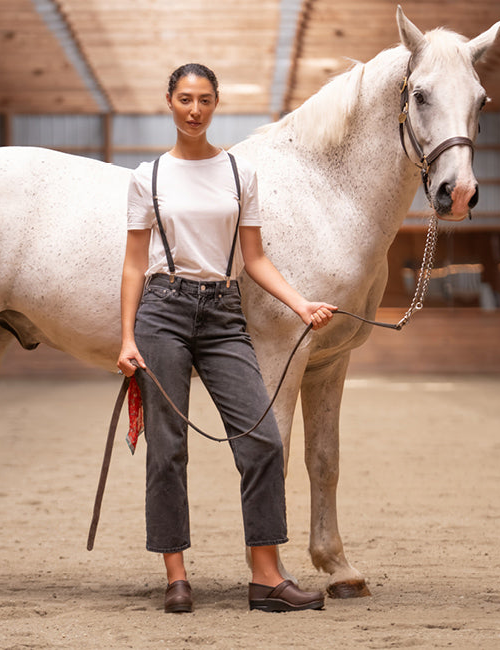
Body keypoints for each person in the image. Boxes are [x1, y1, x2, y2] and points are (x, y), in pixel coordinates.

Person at [115, 63, 336, 614]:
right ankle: (176, 576)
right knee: (168, 449)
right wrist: (126, 338)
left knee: (262, 439)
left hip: (222, 312)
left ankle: (265, 577)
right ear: (169, 100)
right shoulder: (149, 177)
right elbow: (133, 265)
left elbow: (255, 258)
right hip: (161, 311)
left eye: (205, 100)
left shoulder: (240, 173)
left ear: (217, 104)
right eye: (185, 98)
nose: (194, 109)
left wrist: (300, 303)